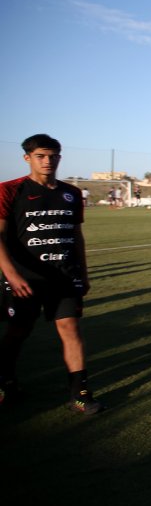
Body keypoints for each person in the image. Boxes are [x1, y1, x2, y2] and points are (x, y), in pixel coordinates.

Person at [0, 134, 102, 414]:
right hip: (25, 280)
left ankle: (80, 394)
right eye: (40, 156)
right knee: (19, 331)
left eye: (53, 156)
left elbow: (76, 236)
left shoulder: (71, 193)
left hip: (65, 277)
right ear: (27, 158)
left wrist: (83, 272)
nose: (47, 161)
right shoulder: (10, 190)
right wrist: (12, 275)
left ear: (59, 157)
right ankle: (5, 379)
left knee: (70, 329)